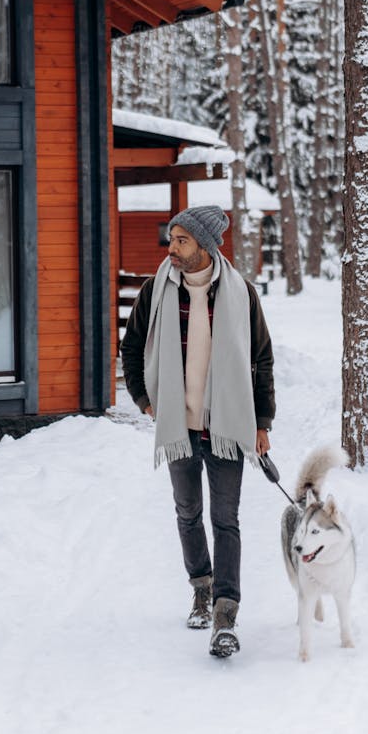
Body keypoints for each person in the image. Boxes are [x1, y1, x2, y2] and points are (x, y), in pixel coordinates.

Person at [120, 205, 275, 659]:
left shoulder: (241, 293)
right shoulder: (156, 291)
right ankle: (202, 588)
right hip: (178, 424)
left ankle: (226, 613)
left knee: (226, 520)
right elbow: (131, 347)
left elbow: (261, 360)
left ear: (204, 246)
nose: (172, 248)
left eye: (181, 240)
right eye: (172, 239)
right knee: (187, 512)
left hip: (226, 424)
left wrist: (262, 422)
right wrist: (145, 401)